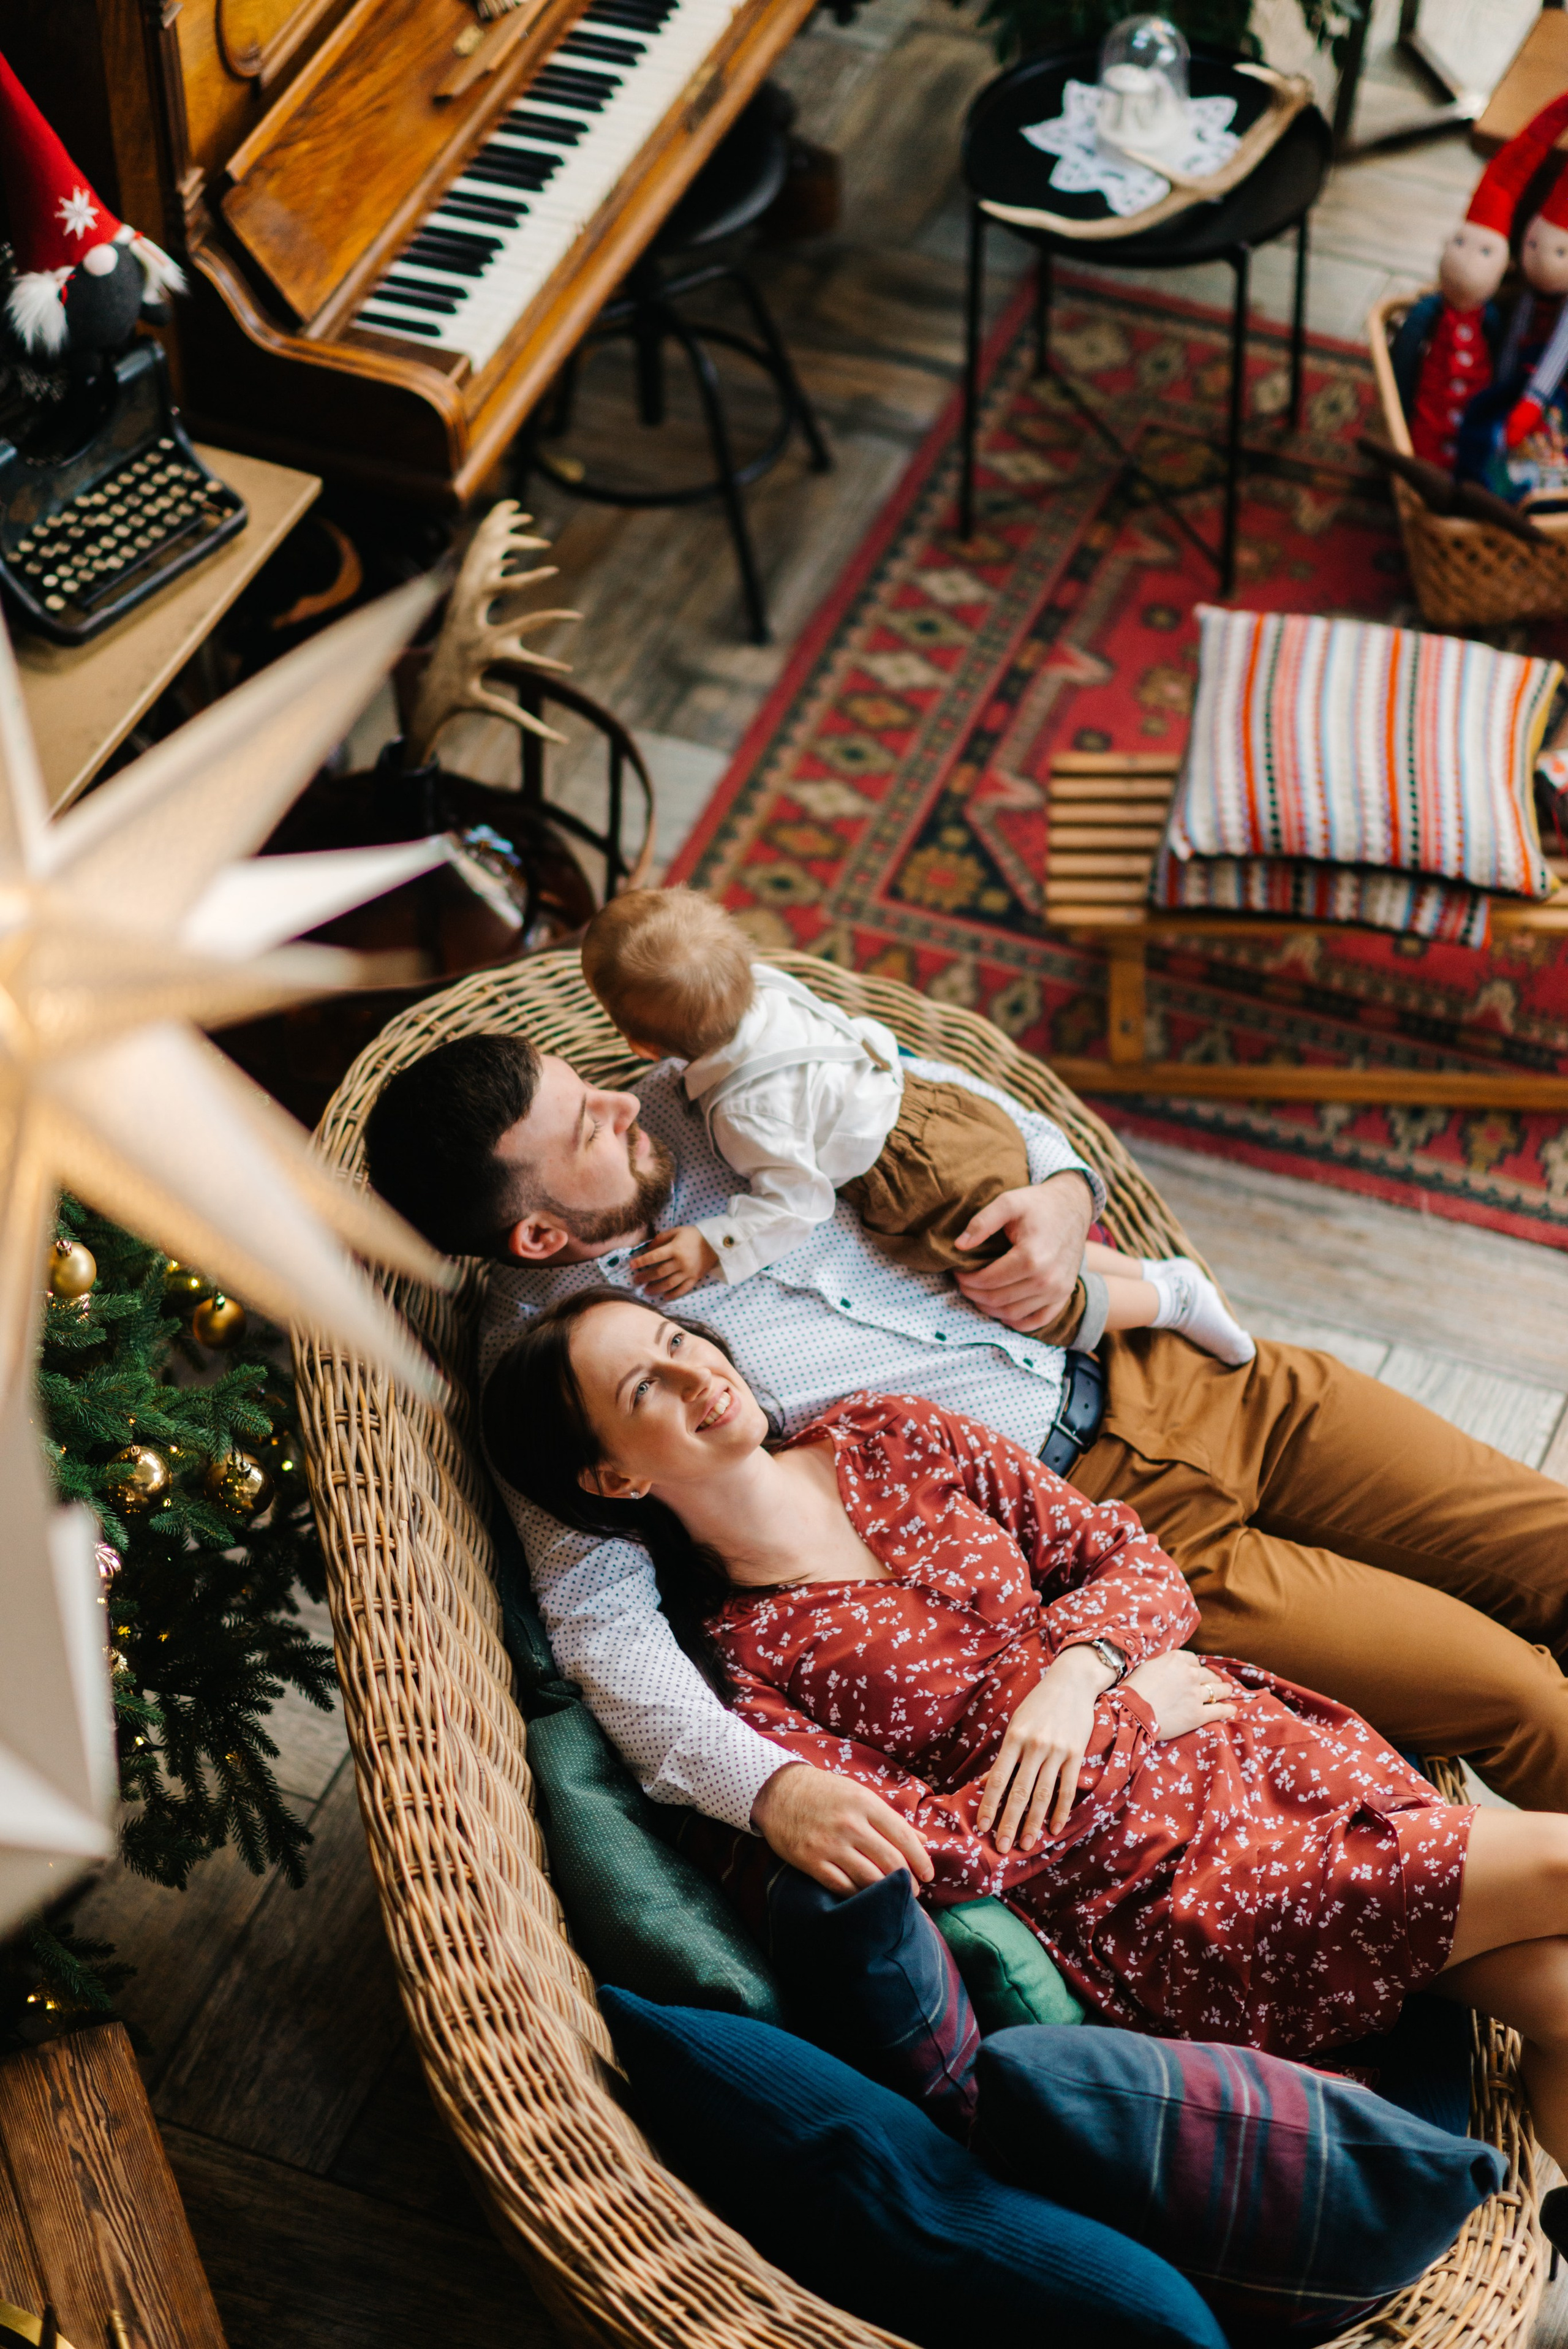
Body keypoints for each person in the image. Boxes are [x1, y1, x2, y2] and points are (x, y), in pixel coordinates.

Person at [361, 1013, 1568, 1899]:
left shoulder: (710, 1082)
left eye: (595, 1088)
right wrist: (762, 1787)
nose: (624, 1102)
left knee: (1550, 1548)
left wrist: (1056, 1194)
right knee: (1516, 1698)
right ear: (534, 1229)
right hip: (1112, 1532)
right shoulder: (554, 1376)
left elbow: (961, 1107)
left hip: (1182, 1366)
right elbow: (601, 1626)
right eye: (585, 1125)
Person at [482, 1286, 1568, 2184]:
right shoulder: (751, 1673)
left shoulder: (890, 1431)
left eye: (677, 1340)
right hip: (1166, 1890)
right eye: (646, 1387)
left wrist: (1076, 1678)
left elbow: (1135, 1563)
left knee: (1555, 2001)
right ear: (616, 1477)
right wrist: (1132, 1708)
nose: (694, 1373)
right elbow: (950, 1855)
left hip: (1265, 1751)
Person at [580, 888, 1253, 1365]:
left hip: (914, 1180)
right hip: (941, 1109)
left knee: (1026, 1301)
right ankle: (1152, 1270)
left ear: (644, 1047)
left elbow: (797, 1204)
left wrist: (713, 1242)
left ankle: (1171, 1300)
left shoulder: (746, 1112)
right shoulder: (768, 983)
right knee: (1023, 1246)